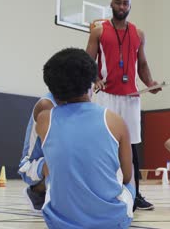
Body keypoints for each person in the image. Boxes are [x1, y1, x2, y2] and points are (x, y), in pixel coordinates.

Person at [36, 48, 135, 228]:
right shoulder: (116, 121)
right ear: (92, 82)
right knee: (129, 176)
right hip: (113, 223)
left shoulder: (44, 120)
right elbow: (127, 176)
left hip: (58, 223)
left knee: (51, 169)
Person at [86, 0, 161, 210]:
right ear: (111, 4)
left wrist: (150, 84)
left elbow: (143, 65)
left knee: (132, 146)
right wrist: (96, 78)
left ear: (129, 6)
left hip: (131, 97)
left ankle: (135, 194)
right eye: (117, 2)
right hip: (106, 96)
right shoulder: (98, 31)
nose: (121, 7)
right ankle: (100, 191)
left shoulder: (139, 33)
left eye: (125, 3)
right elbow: (88, 61)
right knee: (103, 144)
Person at [18, 93, 58, 211]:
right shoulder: (46, 105)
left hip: (52, 160)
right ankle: (45, 200)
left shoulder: (73, 103)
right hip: (31, 165)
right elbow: (57, 148)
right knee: (58, 160)